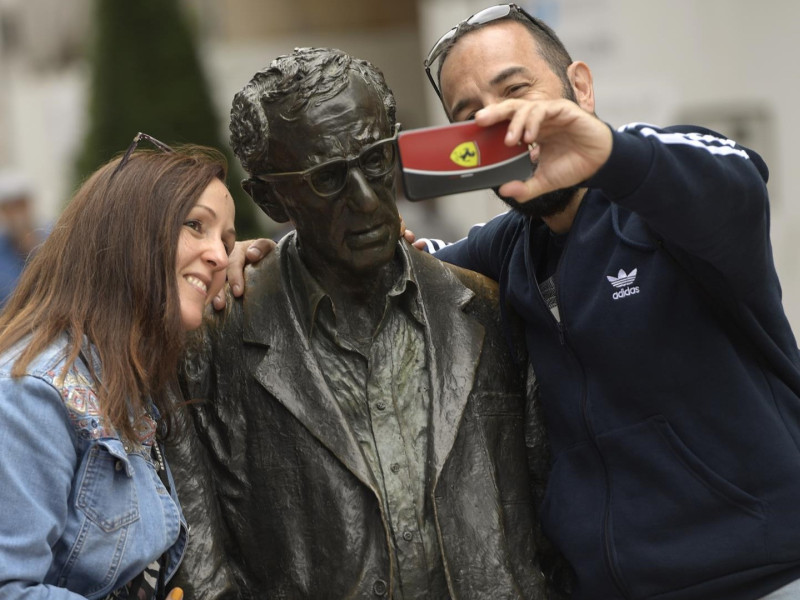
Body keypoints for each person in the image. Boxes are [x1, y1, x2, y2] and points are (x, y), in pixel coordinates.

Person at [412, 4, 800, 600]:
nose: (499, 121)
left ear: (581, 87)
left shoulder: (665, 189)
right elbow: (413, 261)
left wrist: (611, 154)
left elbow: (734, 181)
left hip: (764, 579)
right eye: (471, 117)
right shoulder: (511, 246)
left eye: (516, 90)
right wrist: (259, 260)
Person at [167, 47, 560, 600]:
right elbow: (201, 568)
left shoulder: (488, 309)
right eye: (328, 177)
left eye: (377, 159)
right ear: (270, 197)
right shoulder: (213, 341)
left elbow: (556, 517)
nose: (368, 198)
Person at [0, 134, 236, 599]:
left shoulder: (126, 371)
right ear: (130, 234)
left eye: (227, 241)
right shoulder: (32, 393)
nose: (220, 255)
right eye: (196, 225)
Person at [0, 169, 46, 306]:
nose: (17, 214)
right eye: (10, 207)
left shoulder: (54, 236)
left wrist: (32, 247)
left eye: (20, 205)